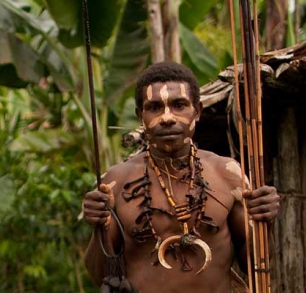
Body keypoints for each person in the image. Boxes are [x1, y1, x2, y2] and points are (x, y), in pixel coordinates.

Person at [82, 62, 282, 292]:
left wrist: (265, 221)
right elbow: (101, 275)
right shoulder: (116, 182)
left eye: (179, 105)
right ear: (140, 115)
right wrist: (98, 226)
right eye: (154, 107)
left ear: (197, 110)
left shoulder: (228, 174)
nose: (167, 117)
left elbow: (257, 265)